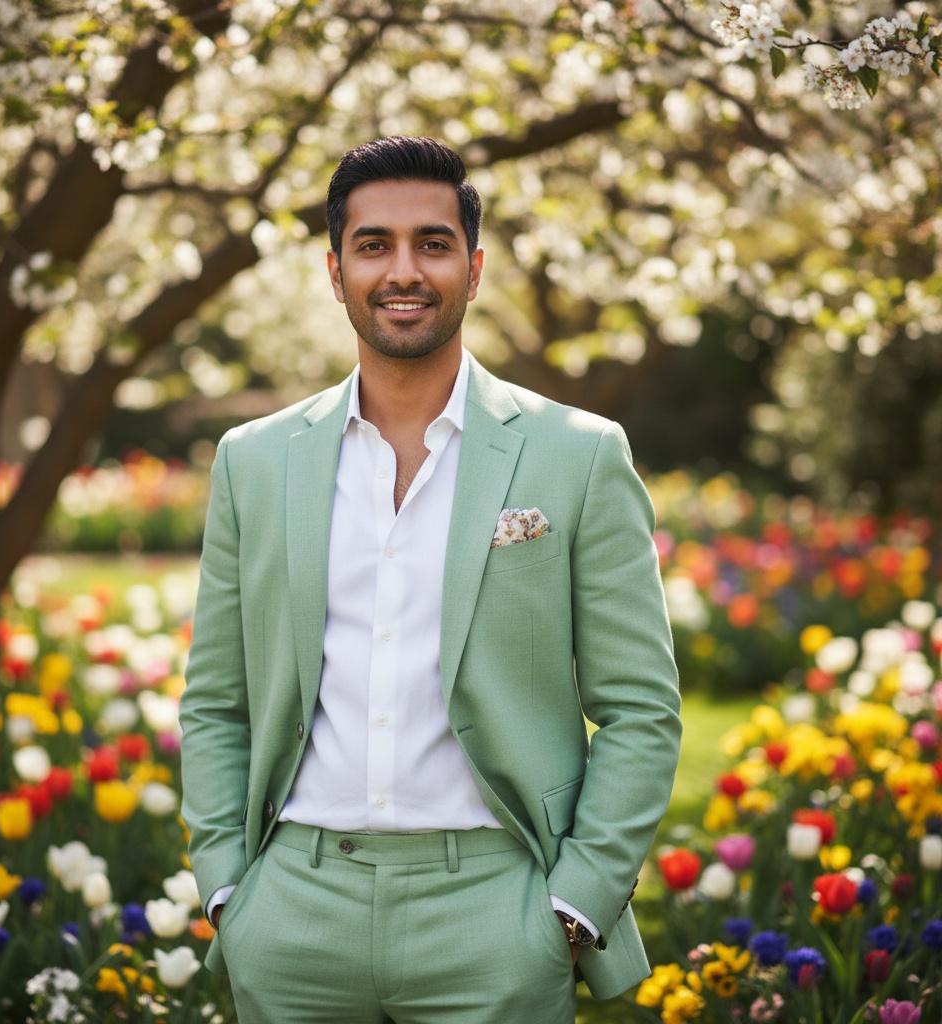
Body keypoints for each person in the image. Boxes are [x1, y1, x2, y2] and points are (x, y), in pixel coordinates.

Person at [179, 135, 681, 1024]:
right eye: (373, 245)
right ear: (336, 272)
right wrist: (229, 890)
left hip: (498, 914)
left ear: (474, 268)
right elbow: (218, 699)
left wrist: (572, 905)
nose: (402, 270)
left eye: (432, 243)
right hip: (292, 910)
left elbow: (641, 708)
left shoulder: (580, 455)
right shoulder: (251, 462)